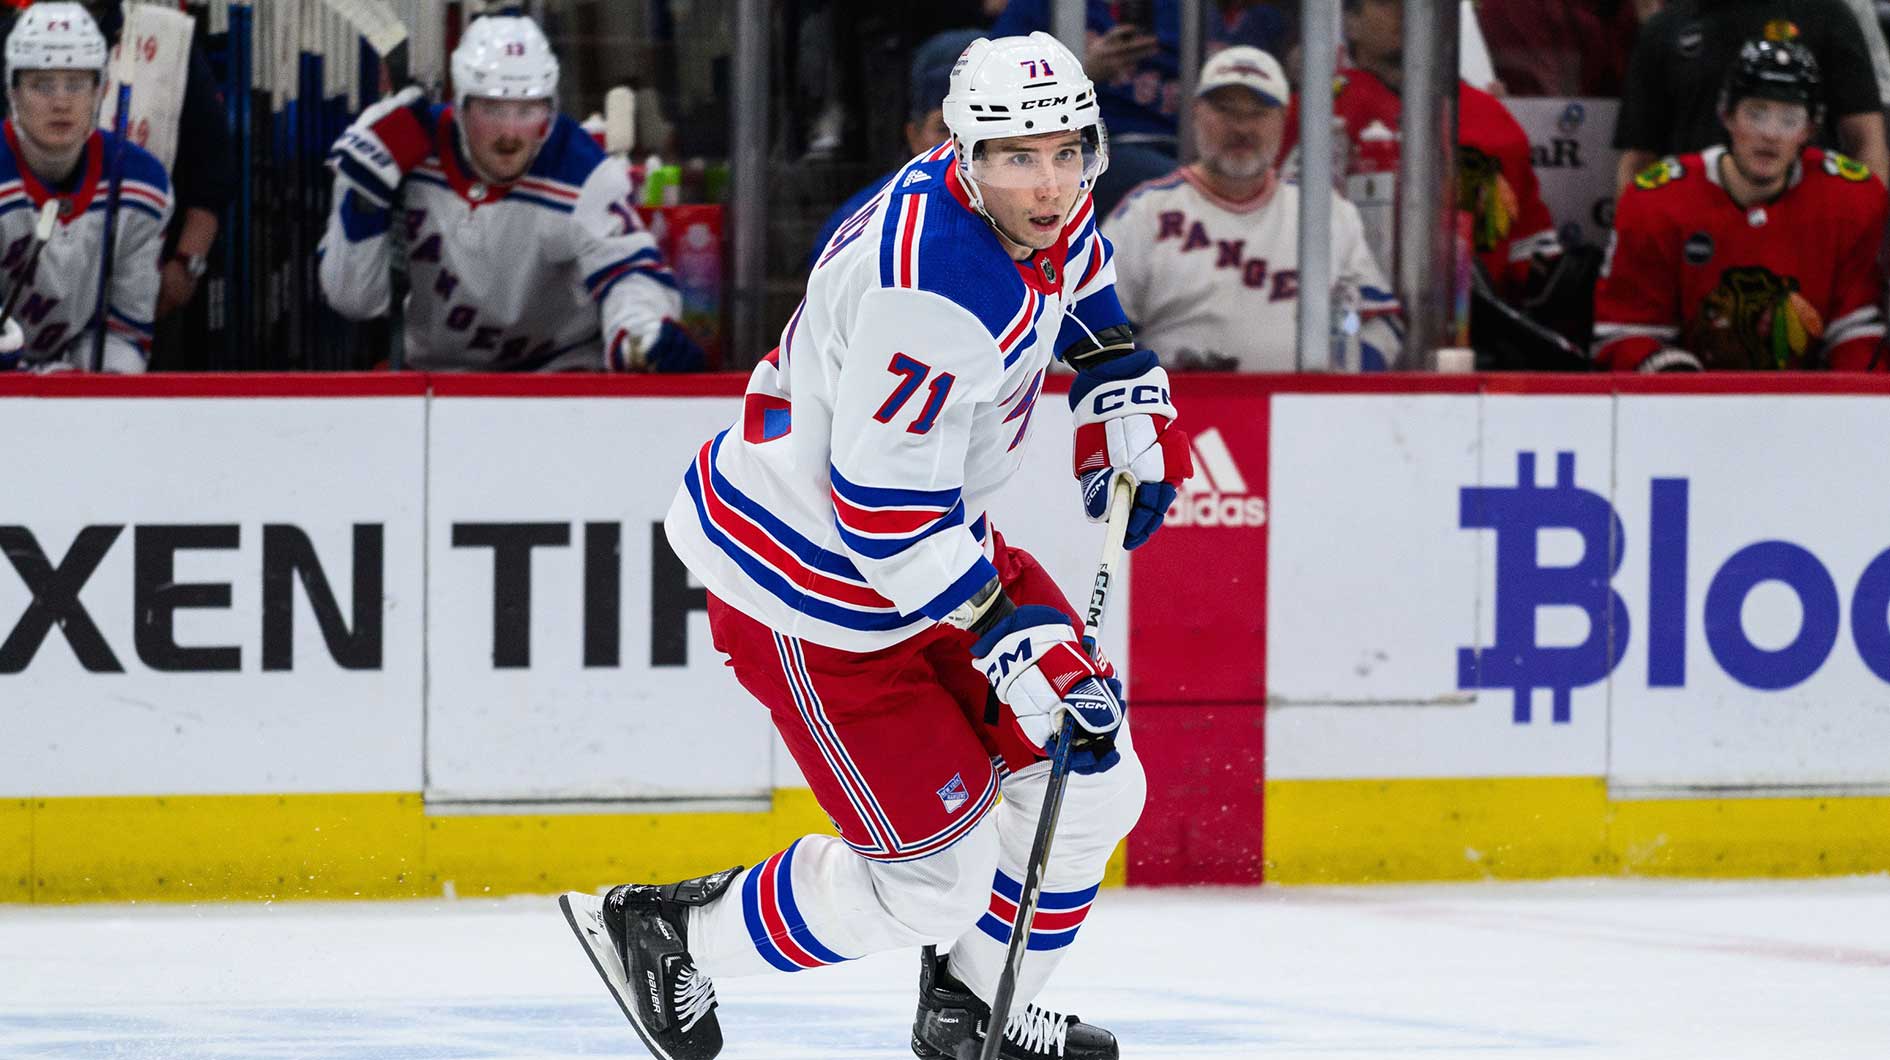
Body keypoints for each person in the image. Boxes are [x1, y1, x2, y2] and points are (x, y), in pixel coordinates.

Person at [560, 32, 1193, 1060]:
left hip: (933, 553)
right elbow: (881, 513)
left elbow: (1080, 273)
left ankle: (970, 1013)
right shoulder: (932, 289)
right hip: (817, 590)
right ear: (968, 149)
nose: (1050, 183)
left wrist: (1114, 373)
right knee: (928, 879)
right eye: (1020, 157)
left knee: (1093, 779)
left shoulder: (1024, 205)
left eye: (1068, 151)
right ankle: (669, 932)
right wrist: (1012, 640)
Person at [319, 14, 703, 371]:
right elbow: (353, 299)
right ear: (462, 105)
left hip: (555, 373)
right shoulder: (412, 151)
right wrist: (364, 185)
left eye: (527, 110)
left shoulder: (579, 170)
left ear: (549, 108)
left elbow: (629, 271)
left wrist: (640, 334)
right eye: (493, 108)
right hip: (435, 380)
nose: (510, 133)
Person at [1594, 39, 1888, 370]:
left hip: (1806, 408)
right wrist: (1676, 384)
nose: (1771, 135)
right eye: (1756, 114)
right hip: (1682, 408)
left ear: (1810, 129)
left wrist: (1843, 407)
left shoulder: (1850, 200)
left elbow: (1858, 334)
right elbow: (1625, 334)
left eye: (1789, 119)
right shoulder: (1655, 202)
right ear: (1727, 115)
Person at [1105, 47, 1401, 371]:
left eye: (1258, 112)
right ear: (1195, 113)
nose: (1242, 127)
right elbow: (1090, 331)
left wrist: (1341, 373)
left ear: (1283, 119)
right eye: (1225, 110)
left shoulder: (1323, 211)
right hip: (1176, 412)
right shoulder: (1145, 213)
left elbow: (1379, 322)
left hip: (1304, 414)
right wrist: (1150, 372)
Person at [1285, 0, 1561, 305]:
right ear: (1351, 23)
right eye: (1390, 3)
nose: (1409, 12)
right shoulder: (1312, 113)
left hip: (1468, 333)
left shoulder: (1492, 121)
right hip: (1343, 321)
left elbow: (1530, 259)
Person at [0, 2, 169, 374]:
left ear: (100, 90)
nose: (61, 101)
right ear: (13, 91)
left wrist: (90, 388)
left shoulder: (141, 185)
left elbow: (125, 332)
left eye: (76, 83)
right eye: (42, 84)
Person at [1613, 0, 1890, 190]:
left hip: (1805, 232)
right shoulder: (1665, 27)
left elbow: (1867, 142)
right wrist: (1630, 240)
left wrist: (1864, 234)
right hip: (1693, 234)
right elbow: (1638, 158)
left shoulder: (1828, 15)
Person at [805, 28, 979, 270]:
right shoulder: (860, 227)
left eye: (979, 126)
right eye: (942, 127)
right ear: (913, 136)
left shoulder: (1038, 208)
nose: (960, 143)